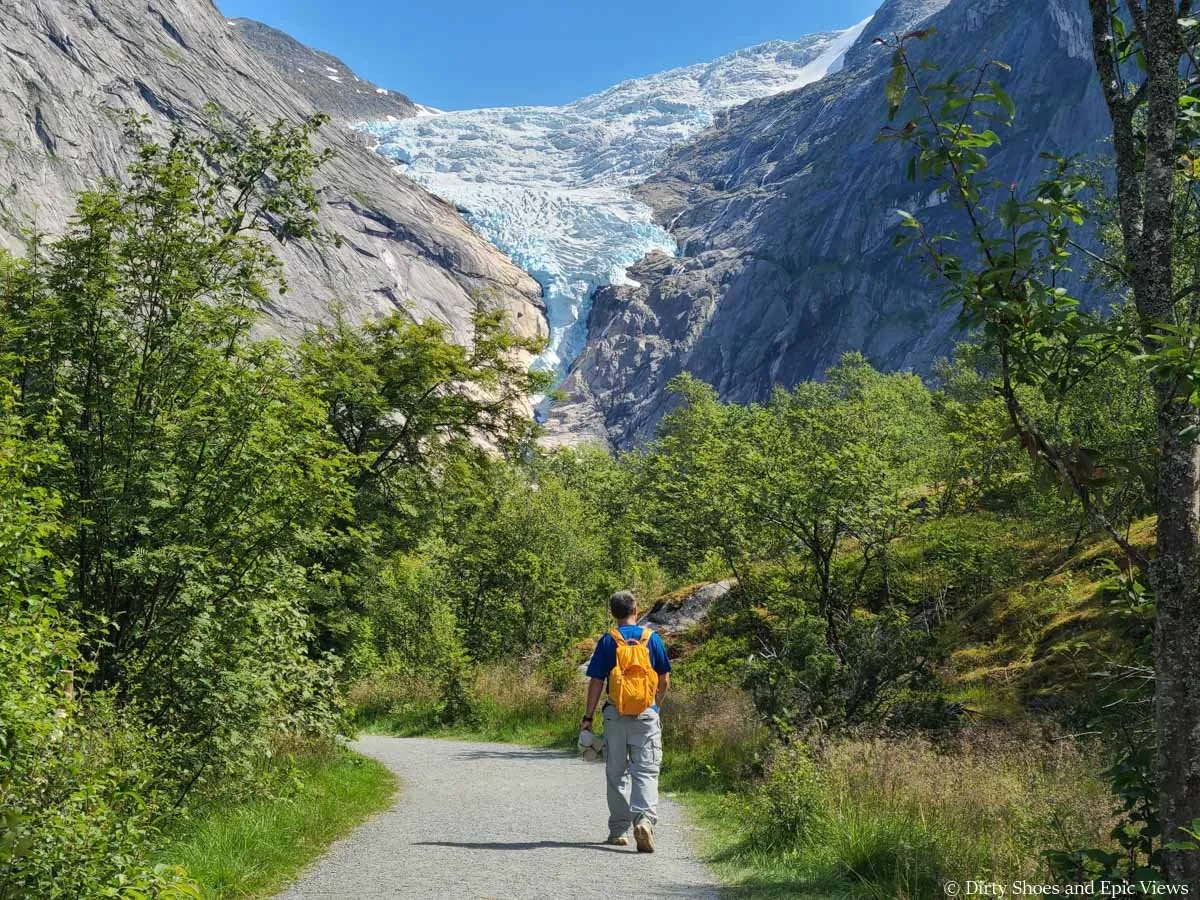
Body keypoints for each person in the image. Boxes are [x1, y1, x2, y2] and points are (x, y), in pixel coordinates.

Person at [580, 590, 671, 853]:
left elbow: (596, 681)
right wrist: (655, 706)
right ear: (636, 609)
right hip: (646, 714)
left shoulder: (609, 641)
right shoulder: (651, 639)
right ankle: (643, 820)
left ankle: (619, 830)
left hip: (615, 715)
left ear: (613, 613)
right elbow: (664, 679)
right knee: (646, 770)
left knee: (616, 772)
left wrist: (587, 717)